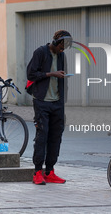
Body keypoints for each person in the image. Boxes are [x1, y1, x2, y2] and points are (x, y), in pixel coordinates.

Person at [27, 30, 72, 185]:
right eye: (61, 47)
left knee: (56, 137)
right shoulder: (40, 52)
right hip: (42, 101)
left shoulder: (62, 56)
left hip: (57, 103)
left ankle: (50, 171)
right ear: (55, 42)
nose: (62, 50)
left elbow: (63, 78)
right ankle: (37, 172)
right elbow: (31, 74)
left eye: (65, 48)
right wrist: (51, 74)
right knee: (42, 136)